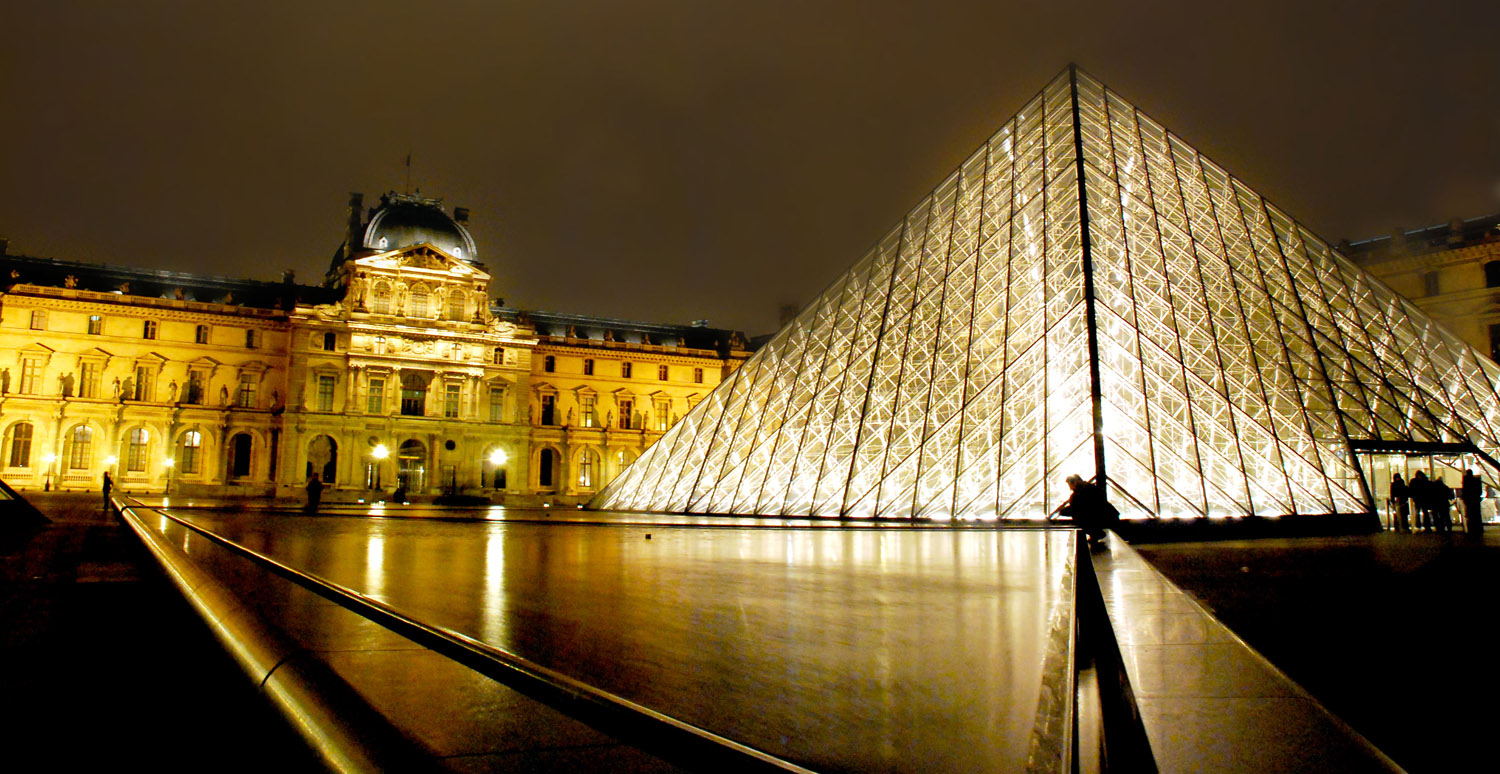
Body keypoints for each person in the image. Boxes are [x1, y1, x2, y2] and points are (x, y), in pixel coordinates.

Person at [1055, 474, 1117, 545]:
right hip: (1107, 515)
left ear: (1073, 483)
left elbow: (1077, 508)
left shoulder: (1080, 493)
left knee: (1081, 518)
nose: (1070, 487)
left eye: (1069, 484)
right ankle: (1095, 533)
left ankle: (1096, 533)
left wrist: (1062, 511)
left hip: (1100, 517)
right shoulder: (1088, 488)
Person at [1463, 469, 1484, 536]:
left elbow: (1465, 491)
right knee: (1477, 515)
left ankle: (1471, 529)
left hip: (1469, 500)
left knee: (1470, 515)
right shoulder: (1477, 480)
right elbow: (1480, 491)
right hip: (1476, 500)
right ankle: (1478, 529)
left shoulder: (1466, 481)